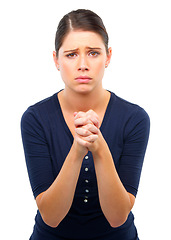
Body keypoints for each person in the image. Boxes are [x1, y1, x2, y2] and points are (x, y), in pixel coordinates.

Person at [21, 9, 150, 240]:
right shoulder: (35, 118)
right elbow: (50, 216)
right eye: (71, 54)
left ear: (108, 57)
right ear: (56, 60)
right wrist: (78, 148)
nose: (82, 64)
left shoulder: (135, 118)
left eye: (93, 53)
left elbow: (118, 216)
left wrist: (98, 147)